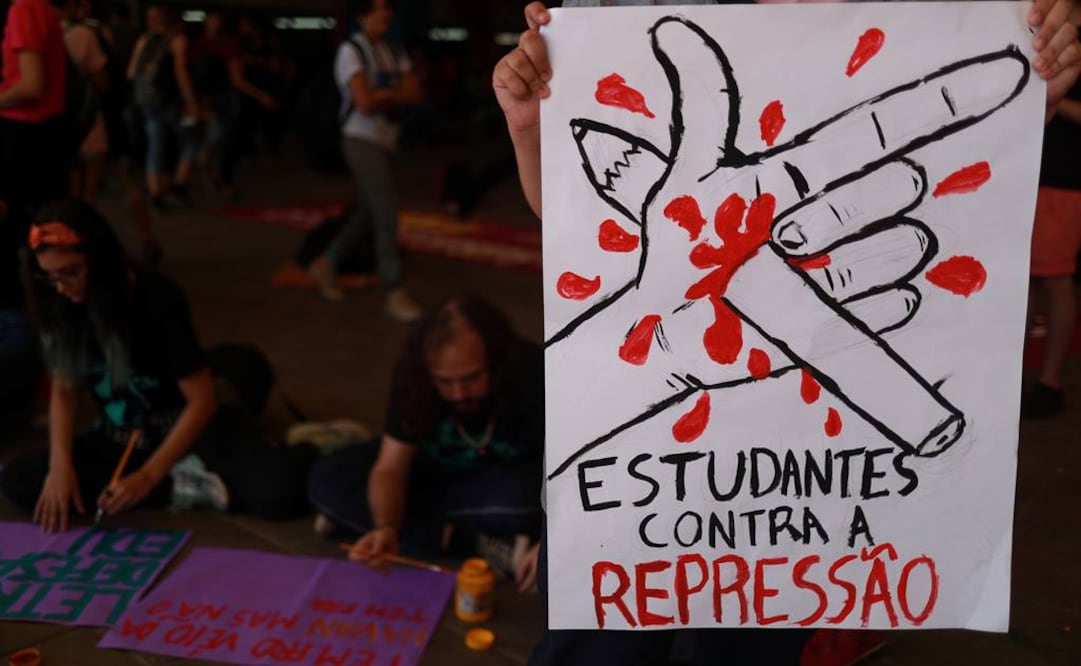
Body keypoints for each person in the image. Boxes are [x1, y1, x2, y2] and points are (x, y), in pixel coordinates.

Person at [493, 2, 1081, 665]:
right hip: (644, 480)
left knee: (731, 652)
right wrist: (528, 125)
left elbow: (951, 197)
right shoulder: (617, 33)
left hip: (785, 503)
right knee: (599, 649)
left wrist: (1030, 96)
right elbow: (583, 247)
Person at [0, 199, 319, 532]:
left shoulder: (157, 297)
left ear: (100, 259)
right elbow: (64, 392)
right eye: (50, 278)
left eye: (71, 272)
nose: (63, 287)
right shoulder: (59, 303)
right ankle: (183, 485)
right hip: (126, 437)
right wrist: (59, 466)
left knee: (276, 494)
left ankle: (312, 446)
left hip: (189, 427)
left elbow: (201, 401)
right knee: (22, 482)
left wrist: (147, 478)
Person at [308, 295, 544, 585]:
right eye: (444, 382)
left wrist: (553, 540)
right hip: (433, 473)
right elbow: (391, 468)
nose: (458, 394)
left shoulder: (531, 370)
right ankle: (469, 542)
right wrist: (386, 527)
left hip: (501, 480)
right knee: (327, 478)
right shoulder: (413, 378)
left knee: (523, 500)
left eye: (471, 378)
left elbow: (570, 470)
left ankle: (357, 521)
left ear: (496, 360)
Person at [306, 0, 424, 321]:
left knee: (368, 211)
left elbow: (414, 94)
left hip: (384, 141)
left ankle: (326, 263)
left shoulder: (392, 49)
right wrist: (388, 95)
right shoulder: (351, 51)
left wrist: (384, 95)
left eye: (389, 8)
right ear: (361, 16)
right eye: (377, 8)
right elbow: (364, 102)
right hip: (359, 139)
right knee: (386, 210)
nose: (385, 14)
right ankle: (394, 288)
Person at [0, 0, 69, 308]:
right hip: (37, 135)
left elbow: (31, 86)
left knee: (20, 230)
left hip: (25, 135)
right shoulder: (35, 7)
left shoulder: (25, 8)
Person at [1024, 76, 1081, 417]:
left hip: (1065, 184)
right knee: (1026, 281)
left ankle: (1051, 382)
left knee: (1058, 282)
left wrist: (1052, 101)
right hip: (1032, 177)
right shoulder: (1047, 34)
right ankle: (1019, 376)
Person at [191, 11, 277, 201]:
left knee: (219, 144)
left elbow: (237, 79)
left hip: (221, 103)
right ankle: (217, 179)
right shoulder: (201, 45)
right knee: (215, 144)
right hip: (209, 101)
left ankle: (219, 180)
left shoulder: (226, 46)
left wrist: (260, 96)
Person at [127, 5, 199, 209]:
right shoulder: (177, 40)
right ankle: (179, 182)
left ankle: (155, 191)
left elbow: (131, 73)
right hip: (172, 101)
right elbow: (181, 73)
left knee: (155, 145)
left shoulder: (143, 40)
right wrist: (191, 100)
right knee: (191, 138)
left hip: (148, 101)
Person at [54, 0, 109, 205]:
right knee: (89, 190)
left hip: (57, 116)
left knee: (70, 186)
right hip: (86, 117)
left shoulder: (41, 33)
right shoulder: (84, 34)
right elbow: (100, 77)